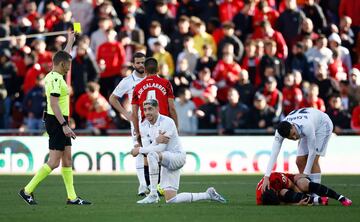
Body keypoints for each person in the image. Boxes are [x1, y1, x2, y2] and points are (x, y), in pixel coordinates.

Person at [18, 31, 91, 205]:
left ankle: (72, 197)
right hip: (57, 120)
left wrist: (70, 41)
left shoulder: (54, 74)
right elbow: (54, 104)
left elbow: (64, 56)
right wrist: (65, 124)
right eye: (68, 65)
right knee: (53, 162)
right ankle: (27, 190)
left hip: (56, 119)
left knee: (67, 160)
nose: (69, 67)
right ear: (61, 64)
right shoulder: (57, 80)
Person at [131, 99, 226, 204]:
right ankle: (208, 194)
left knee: (152, 155)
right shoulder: (147, 126)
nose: (147, 112)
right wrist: (152, 143)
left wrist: (139, 150)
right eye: (145, 110)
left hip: (177, 157)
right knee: (171, 200)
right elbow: (154, 146)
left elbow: (160, 148)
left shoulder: (167, 122)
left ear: (157, 109)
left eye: (150, 109)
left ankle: (153, 194)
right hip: (166, 161)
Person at [261, 107, 333, 193]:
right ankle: (307, 191)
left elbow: (312, 152)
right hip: (306, 125)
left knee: (314, 160)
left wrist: (306, 173)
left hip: (322, 125)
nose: (295, 138)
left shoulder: (307, 126)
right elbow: (273, 154)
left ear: (292, 125)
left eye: (294, 134)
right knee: (299, 161)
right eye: (290, 138)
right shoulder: (279, 133)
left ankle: (316, 194)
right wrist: (266, 177)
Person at [109, 52, 148, 196]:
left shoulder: (152, 78)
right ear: (133, 64)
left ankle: (156, 184)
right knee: (138, 150)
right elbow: (112, 98)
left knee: (154, 150)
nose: (141, 65)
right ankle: (143, 185)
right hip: (138, 121)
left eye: (143, 62)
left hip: (154, 120)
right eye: (138, 62)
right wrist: (127, 114)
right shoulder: (128, 81)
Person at [131, 57, 178, 146]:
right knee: (164, 156)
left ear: (144, 70)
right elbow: (172, 108)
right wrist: (176, 127)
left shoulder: (137, 87)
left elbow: (134, 114)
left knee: (148, 156)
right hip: (163, 123)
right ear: (158, 69)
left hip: (146, 125)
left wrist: (137, 132)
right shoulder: (166, 83)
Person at [256, 172, 352, 206]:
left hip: (292, 182)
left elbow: (292, 186)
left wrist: (306, 196)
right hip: (283, 191)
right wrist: (297, 204)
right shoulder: (260, 200)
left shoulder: (275, 178)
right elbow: (281, 203)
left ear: (273, 190)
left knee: (303, 184)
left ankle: (340, 197)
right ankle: (318, 200)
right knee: (282, 192)